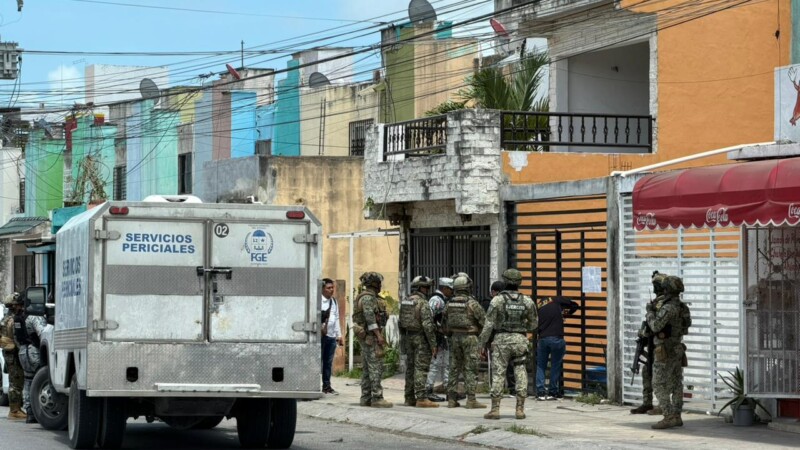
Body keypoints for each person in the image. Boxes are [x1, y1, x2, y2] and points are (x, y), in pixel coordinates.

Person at [478, 268, 537, 420]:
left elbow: (488, 324)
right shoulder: (527, 301)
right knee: (520, 371)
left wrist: (481, 344)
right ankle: (520, 409)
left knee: (498, 373)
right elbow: (533, 324)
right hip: (519, 339)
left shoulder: (497, 300)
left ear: (505, 281)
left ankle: (495, 409)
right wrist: (521, 328)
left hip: (501, 340)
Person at [647, 275, 691, 430]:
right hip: (677, 348)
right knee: (676, 383)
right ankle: (677, 415)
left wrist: (650, 313)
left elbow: (656, 326)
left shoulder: (667, 307)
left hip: (664, 350)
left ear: (667, 289)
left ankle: (668, 415)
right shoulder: (682, 307)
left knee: (658, 383)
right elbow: (687, 326)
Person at [444, 274, 486, 409]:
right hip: (470, 337)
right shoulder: (472, 303)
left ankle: (451, 399)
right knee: (471, 368)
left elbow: (444, 320)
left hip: (455, 337)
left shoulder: (449, 303)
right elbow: (484, 321)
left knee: (454, 368)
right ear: (468, 288)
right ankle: (471, 400)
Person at [352, 272, 392, 408]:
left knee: (367, 369)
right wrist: (379, 336)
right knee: (375, 367)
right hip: (371, 337)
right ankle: (377, 397)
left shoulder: (364, 297)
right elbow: (370, 319)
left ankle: (366, 397)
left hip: (367, 337)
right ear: (375, 284)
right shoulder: (368, 298)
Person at [630, 271, 668, 415]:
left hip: (661, 344)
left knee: (659, 377)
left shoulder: (664, 303)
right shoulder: (657, 302)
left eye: (656, 285)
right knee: (647, 372)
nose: (654, 288)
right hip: (652, 342)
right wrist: (643, 333)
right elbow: (648, 322)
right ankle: (647, 403)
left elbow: (657, 324)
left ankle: (662, 405)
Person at [399, 275, 439, 408]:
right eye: (426, 287)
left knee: (410, 368)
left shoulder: (406, 301)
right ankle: (421, 398)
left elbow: (400, 322)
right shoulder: (423, 303)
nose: (428, 290)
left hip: (408, 337)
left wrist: (403, 339)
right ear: (420, 287)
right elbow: (428, 325)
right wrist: (433, 344)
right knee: (421, 368)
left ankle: (409, 397)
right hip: (421, 339)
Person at [535, 294, 578, 401]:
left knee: (541, 365)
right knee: (555, 365)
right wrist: (565, 313)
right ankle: (552, 392)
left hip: (543, 339)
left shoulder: (538, 306)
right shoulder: (556, 299)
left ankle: (540, 392)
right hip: (556, 338)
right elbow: (574, 304)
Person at [15, 292, 47, 423]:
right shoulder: (33, 317)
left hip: (22, 351)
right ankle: (37, 410)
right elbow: (43, 334)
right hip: (33, 350)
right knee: (39, 380)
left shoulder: (17, 318)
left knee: (28, 380)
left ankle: (29, 412)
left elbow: (16, 338)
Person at [426, 277, 453, 402]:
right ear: (445, 288)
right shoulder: (436, 300)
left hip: (442, 337)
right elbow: (429, 318)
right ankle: (428, 390)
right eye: (450, 290)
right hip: (436, 338)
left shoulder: (443, 299)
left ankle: (449, 390)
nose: (452, 292)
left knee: (446, 364)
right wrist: (437, 332)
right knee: (435, 365)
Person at [1, 293, 26, 420]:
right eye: (19, 305)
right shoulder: (12, 319)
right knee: (16, 381)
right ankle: (14, 411)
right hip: (13, 353)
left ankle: (16, 409)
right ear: (14, 305)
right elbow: (16, 338)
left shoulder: (5, 318)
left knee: (15, 380)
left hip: (9, 353)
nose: (21, 307)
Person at [321, 278, 343, 395]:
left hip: (331, 337)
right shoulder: (317, 301)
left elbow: (337, 319)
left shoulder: (334, 301)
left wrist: (339, 335)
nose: (331, 290)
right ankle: (313, 385)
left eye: (332, 288)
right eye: (328, 288)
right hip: (319, 337)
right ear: (322, 289)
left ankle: (326, 386)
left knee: (328, 363)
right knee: (317, 362)